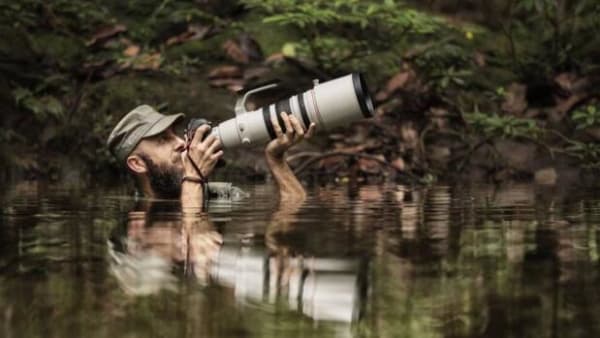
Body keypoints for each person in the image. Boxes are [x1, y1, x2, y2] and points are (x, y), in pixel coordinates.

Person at [107, 105, 315, 209]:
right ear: (137, 163)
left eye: (174, 134)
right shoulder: (132, 213)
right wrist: (194, 177)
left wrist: (276, 160)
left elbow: (296, 209)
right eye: (163, 140)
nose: (180, 142)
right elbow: (192, 233)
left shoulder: (219, 195)